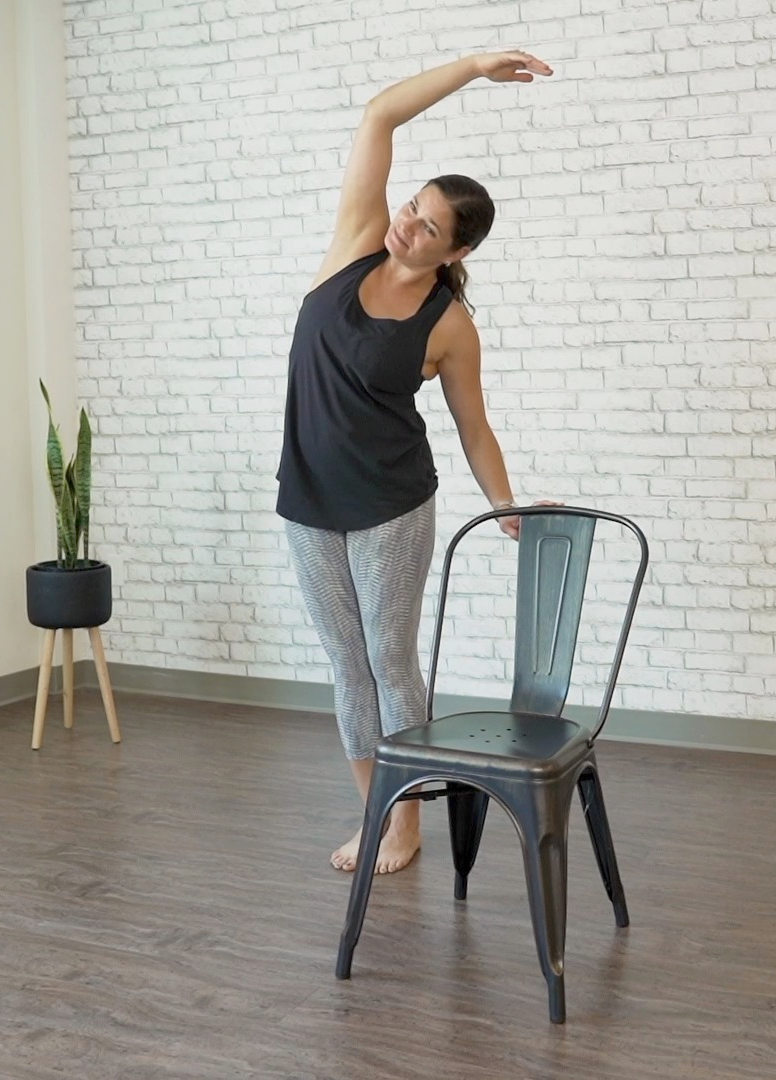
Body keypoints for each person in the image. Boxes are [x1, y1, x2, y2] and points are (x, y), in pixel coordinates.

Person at [276, 51, 554, 875]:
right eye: (412, 206)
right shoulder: (355, 245)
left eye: (429, 226)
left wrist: (503, 502)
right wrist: (472, 68)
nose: (407, 224)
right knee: (344, 663)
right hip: (308, 502)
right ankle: (377, 812)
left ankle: (407, 822)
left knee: (389, 663)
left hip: (392, 506)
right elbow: (379, 116)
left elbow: (474, 426)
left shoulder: (448, 325)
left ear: (455, 249)